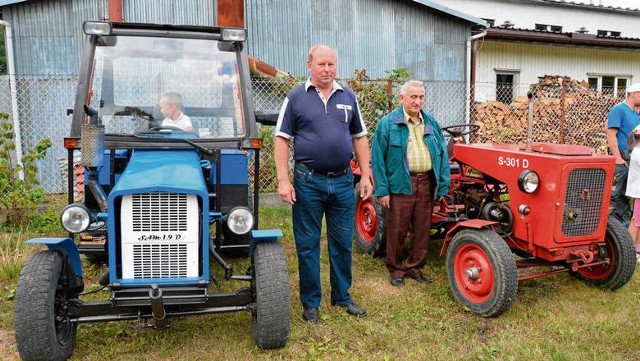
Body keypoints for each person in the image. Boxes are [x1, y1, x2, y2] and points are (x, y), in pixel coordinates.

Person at [274, 44, 373, 323]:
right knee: (308, 244)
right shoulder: (296, 97)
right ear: (309, 65)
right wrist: (283, 180)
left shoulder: (348, 96)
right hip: (308, 182)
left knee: (342, 242)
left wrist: (365, 174)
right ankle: (311, 303)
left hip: (343, 181)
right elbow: (281, 139)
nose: (327, 69)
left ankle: (342, 296)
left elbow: (360, 138)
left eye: (331, 64)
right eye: (321, 64)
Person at [371, 80, 450, 287]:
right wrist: (382, 190)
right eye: (413, 97)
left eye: (421, 97)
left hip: (425, 182)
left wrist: (442, 186)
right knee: (397, 229)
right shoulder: (388, 124)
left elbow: (442, 156)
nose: (418, 101)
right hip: (400, 184)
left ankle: (415, 268)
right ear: (402, 98)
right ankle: (396, 269)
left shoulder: (431, 123)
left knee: (422, 229)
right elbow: (378, 159)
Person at [606, 83, 640, 225]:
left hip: (633, 158)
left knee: (628, 194)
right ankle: (613, 228)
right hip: (622, 157)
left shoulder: (635, 113)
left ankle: (624, 227)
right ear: (633, 93)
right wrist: (617, 158)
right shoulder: (618, 109)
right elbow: (611, 134)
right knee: (616, 194)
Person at [626, 124, 640, 261]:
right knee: (636, 221)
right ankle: (629, 250)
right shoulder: (638, 153)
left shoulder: (636, 150)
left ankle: (637, 248)